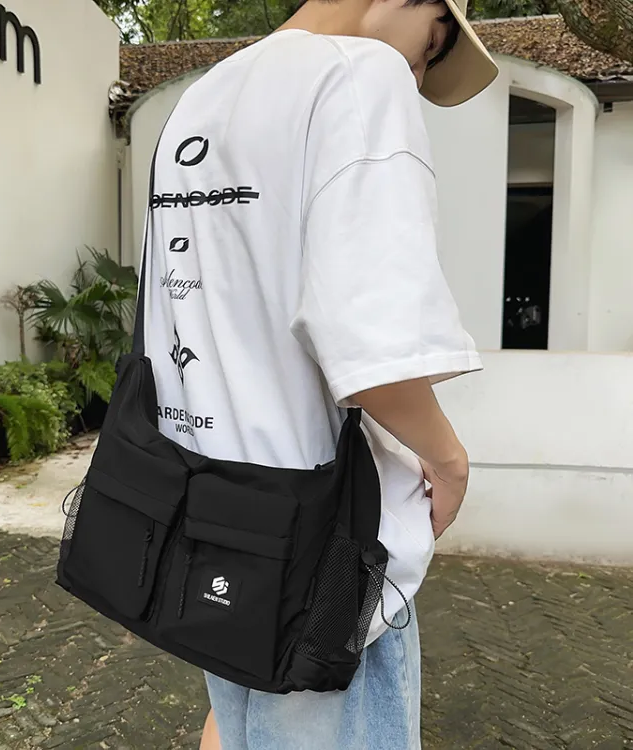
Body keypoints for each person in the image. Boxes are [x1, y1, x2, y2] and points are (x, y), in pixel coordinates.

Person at [140, 0, 498, 747]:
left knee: (235, 712)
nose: (417, 73)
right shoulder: (363, 75)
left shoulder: (203, 96)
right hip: (333, 543)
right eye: (432, 46)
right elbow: (372, 344)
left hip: (215, 509)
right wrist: (449, 459)